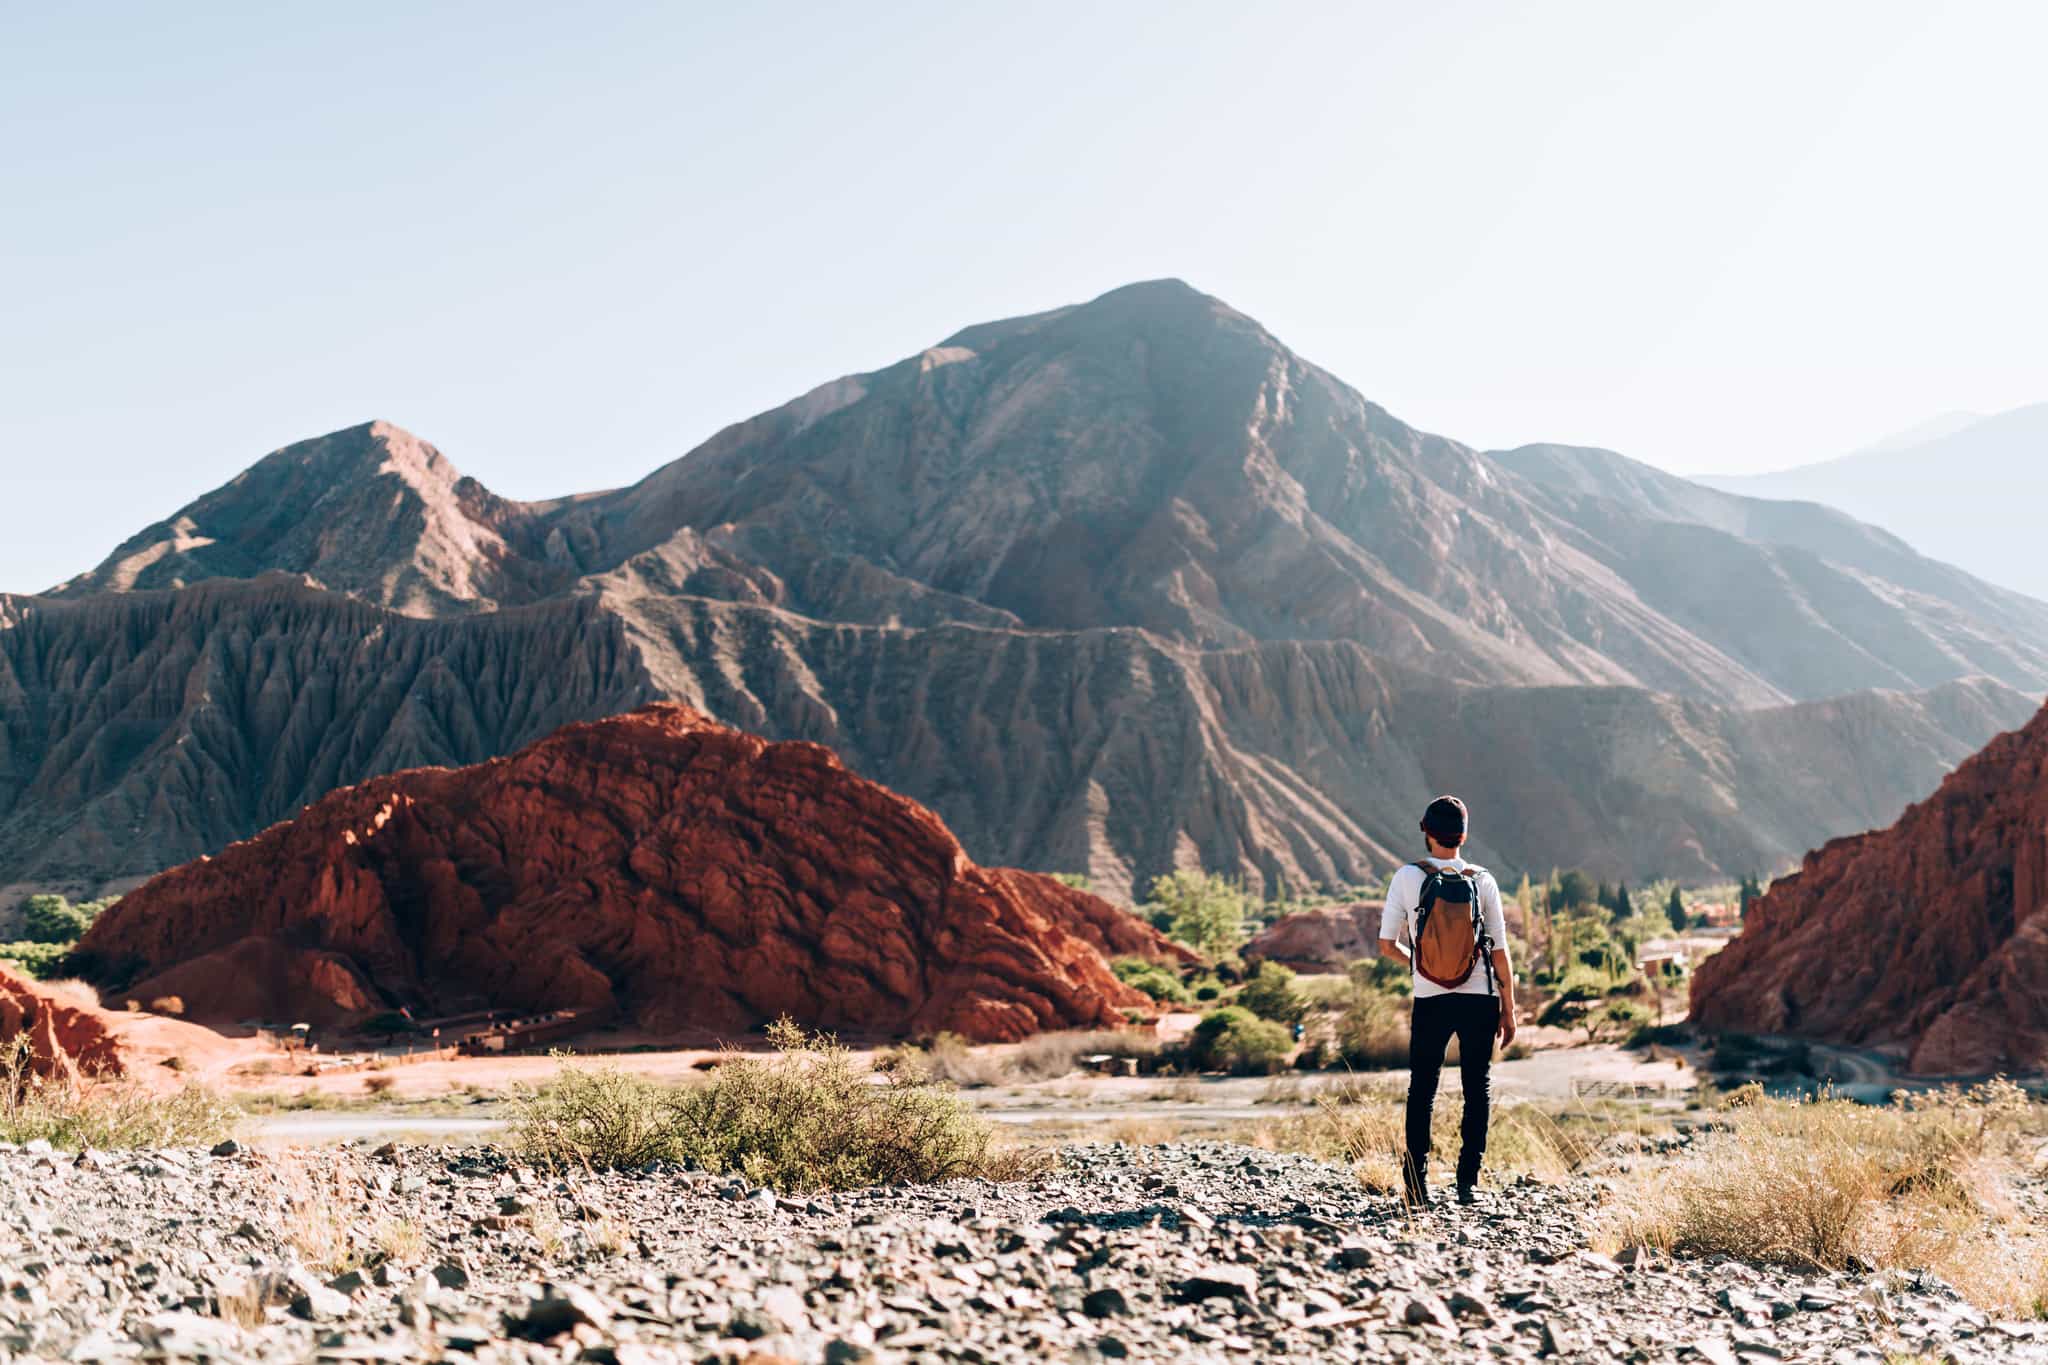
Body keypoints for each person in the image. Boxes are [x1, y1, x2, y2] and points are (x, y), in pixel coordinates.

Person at [1377, 795, 1517, 1208]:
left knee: (1422, 1090)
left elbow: (1387, 945)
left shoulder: (1407, 877)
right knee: (1477, 1089)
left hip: (1431, 998)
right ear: (1463, 835)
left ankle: (1416, 1188)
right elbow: (1500, 953)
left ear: (1426, 831)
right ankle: (1466, 1184)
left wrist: (1419, 966)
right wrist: (1509, 1009)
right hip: (1480, 999)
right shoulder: (1482, 879)